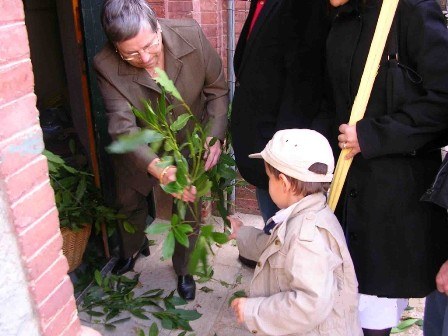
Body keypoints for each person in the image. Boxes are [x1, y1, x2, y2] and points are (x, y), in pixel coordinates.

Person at [321, 0, 448, 334]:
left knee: (372, 316)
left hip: (391, 207)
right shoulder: (341, 16)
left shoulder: (413, 11)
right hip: (342, 194)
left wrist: (372, 136)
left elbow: (443, 104)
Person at [94, 0, 228, 300]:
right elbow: (122, 128)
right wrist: (161, 170)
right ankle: (131, 250)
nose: (144, 57)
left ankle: (184, 269)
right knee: (127, 203)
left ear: (158, 27)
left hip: (188, 143)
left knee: (189, 212)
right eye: (130, 53)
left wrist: (215, 135)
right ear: (116, 49)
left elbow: (217, 89)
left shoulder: (190, 35)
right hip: (138, 150)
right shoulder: (104, 64)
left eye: (150, 46)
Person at [228, 129, 362, 336]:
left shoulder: (305, 236)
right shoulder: (311, 212)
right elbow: (276, 247)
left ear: (284, 183)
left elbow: (309, 305)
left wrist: (253, 311)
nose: (268, 184)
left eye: (269, 178)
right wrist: (242, 233)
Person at [230, 0, 328, 235]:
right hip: (262, 145)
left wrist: (281, 157)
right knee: (271, 222)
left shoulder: (304, 6)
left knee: (285, 234)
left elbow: (304, 84)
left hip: (281, 153)